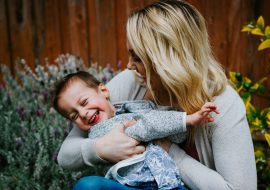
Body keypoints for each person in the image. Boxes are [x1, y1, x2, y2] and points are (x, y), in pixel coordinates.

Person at [57, 0, 257, 189]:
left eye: (138, 58)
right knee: (89, 187)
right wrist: (100, 149)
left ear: (169, 60)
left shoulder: (222, 103)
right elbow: (66, 155)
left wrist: (170, 151)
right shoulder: (132, 82)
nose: (129, 65)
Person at [52, 71, 218, 189]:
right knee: (88, 185)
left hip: (167, 181)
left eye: (84, 102)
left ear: (104, 90)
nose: (82, 114)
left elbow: (176, 136)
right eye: (73, 116)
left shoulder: (132, 109)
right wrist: (187, 119)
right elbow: (146, 127)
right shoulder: (101, 131)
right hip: (136, 185)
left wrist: (176, 127)